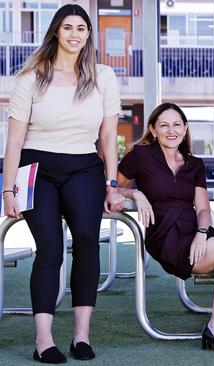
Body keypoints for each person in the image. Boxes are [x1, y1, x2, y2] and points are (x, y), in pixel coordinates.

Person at [2, 4, 123, 363]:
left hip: (83, 166)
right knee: (50, 248)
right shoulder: (31, 78)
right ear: (56, 31)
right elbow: (13, 141)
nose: (75, 34)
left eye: (81, 28)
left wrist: (112, 183)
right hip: (36, 167)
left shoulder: (103, 76)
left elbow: (108, 136)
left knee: (87, 240)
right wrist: (8, 189)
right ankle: (44, 341)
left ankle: (81, 336)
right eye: (68, 27)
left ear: (88, 35)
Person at [117, 103, 214, 353]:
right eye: (164, 125)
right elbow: (110, 187)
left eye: (177, 124)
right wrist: (135, 193)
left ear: (185, 128)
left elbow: (204, 208)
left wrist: (201, 234)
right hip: (165, 236)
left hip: (194, 232)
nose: (171, 130)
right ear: (153, 130)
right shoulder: (141, 156)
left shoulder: (194, 163)